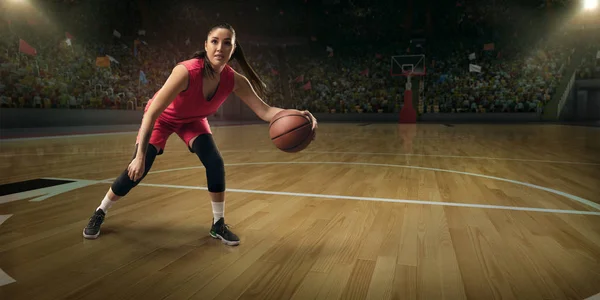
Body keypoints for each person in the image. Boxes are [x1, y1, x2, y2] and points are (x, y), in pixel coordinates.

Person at [82, 23, 318, 246]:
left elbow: (266, 111)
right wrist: (139, 155)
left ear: (233, 49)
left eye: (227, 43)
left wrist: (299, 114)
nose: (220, 47)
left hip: (193, 120)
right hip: (162, 119)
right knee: (137, 171)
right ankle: (100, 211)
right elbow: (152, 113)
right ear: (205, 45)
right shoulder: (186, 71)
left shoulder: (234, 80)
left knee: (215, 162)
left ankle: (218, 224)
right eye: (214, 41)